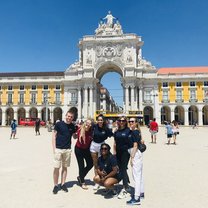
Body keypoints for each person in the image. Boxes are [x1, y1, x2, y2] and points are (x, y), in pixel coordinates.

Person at [52, 110, 77, 194]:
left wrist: (78, 130)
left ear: (73, 118)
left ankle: (63, 184)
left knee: (65, 167)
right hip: (58, 149)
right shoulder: (59, 124)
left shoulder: (73, 126)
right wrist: (54, 149)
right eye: (68, 116)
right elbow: (54, 136)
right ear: (65, 116)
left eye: (71, 117)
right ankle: (55, 185)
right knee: (56, 168)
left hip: (67, 149)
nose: (69, 118)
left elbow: (74, 137)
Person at [90, 114, 113, 190]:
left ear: (103, 121)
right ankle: (97, 182)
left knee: (102, 165)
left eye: (101, 120)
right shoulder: (94, 126)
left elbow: (112, 134)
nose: (100, 121)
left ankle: (103, 179)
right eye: (99, 120)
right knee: (95, 164)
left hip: (102, 147)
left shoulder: (106, 128)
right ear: (97, 120)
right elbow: (86, 129)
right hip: (93, 145)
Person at [126, 118, 145, 205]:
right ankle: (141, 193)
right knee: (139, 175)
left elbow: (135, 145)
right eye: (129, 121)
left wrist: (132, 157)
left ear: (136, 123)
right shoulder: (136, 131)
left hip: (135, 154)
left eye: (132, 121)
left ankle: (136, 198)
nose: (130, 123)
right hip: (138, 154)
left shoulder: (134, 132)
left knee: (136, 176)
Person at [113, 116, 132, 199]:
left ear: (125, 122)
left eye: (123, 120)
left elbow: (133, 141)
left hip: (125, 152)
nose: (121, 122)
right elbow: (115, 142)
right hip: (118, 152)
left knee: (123, 168)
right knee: (120, 168)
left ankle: (125, 187)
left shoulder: (129, 131)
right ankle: (126, 180)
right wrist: (114, 151)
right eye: (120, 120)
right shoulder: (116, 131)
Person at [75, 119, 93, 190]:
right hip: (78, 150)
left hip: (86, 150)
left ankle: (80, 176)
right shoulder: (80, 129)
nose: (87, 124)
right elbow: (74, 133)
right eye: (87, 122)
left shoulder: (91, 131)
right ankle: (82, 182)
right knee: (81, 166)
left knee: (90, 164)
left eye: (89, 123)